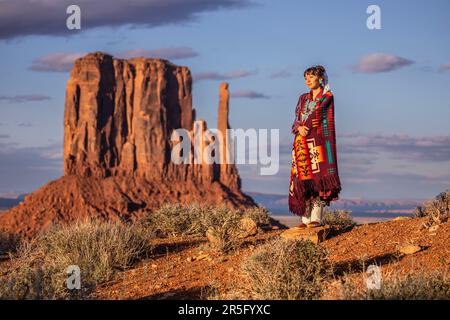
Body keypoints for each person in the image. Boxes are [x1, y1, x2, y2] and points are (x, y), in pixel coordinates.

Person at [288, 65, 342, 228]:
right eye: (305, 78)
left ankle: (316, 218)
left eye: (311, 77)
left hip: (319, 142)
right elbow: (297, 117)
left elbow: (318, 113)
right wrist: (299, 128)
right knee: (303, 179)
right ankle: (305, 218)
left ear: (320, 78)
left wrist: (307, 127)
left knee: (319, 180)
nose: (308, 81)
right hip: (301, 142)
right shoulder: (303, 98)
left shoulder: (327, 96)